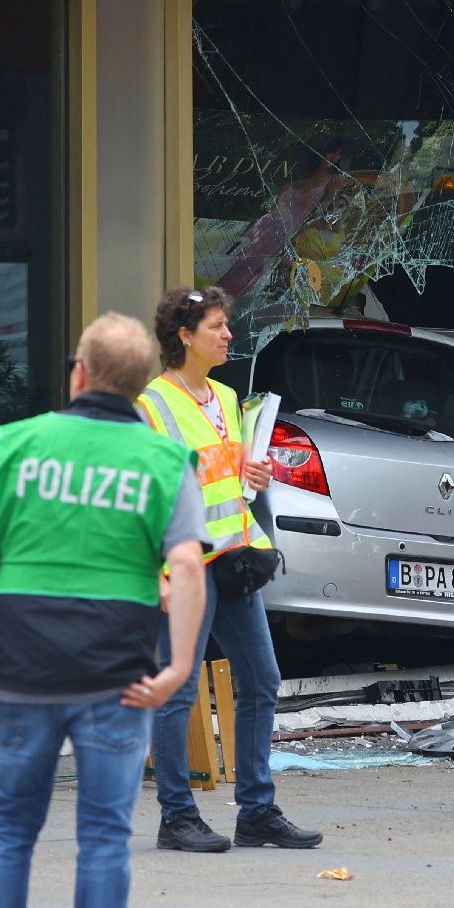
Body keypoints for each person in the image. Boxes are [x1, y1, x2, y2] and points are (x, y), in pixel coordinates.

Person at [0, 311, 207, 908]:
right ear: (142, 384)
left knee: (8, 830)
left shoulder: (20, 442)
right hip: (114, 674)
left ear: (79, 375)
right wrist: (178, 666)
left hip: (22, 667)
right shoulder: (165, 458)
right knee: (103, 839)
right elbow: (186, 566)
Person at [139, 286, 322, 852]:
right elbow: (147, 494)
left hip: (236, 558)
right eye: (217, 326)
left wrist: (254, 471)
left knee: (262, 680)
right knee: (178, 688)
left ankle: (257, 811)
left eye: (226, 325)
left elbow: (225, 478)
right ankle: (177, 816)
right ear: (185, 336)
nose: (228, 335)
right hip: (188, 563)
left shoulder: (223, 395)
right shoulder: (151, 405)